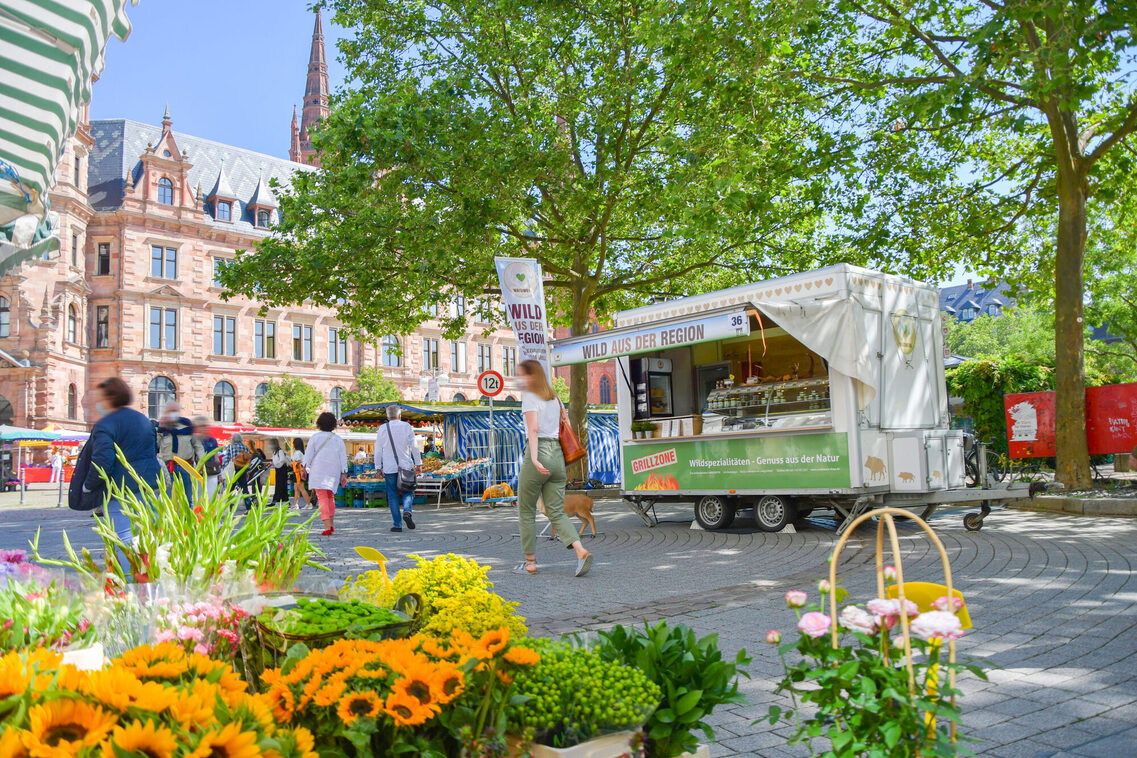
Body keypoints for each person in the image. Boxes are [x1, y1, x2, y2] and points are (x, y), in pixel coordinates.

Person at [515, 359, 593, 577]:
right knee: (556, 511)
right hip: (558, 456)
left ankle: (530, 562)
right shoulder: (555, 398)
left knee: (526, 509)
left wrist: (534, 458)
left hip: (539, 452)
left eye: (521, 375)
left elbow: (533, 430)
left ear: (531, 376)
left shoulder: (530, 396)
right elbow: (564, 423)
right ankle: (581, 551)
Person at [83, 377, 163, 549]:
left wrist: (88, 485)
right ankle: (152, 573)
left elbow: (102, 461)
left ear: (111, 398)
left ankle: (127, 575)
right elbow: (153, 450)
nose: (98, 403)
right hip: (150, 483)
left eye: (100, 398)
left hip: (121, 488)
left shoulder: (105, 424)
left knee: (123, 536)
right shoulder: (143, 419)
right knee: (150, 534)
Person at [374, 404, 422, 533]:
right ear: (400, 416)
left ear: (388, 417)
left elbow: (378, 450)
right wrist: (419, 464)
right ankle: (407, 511)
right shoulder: (407, 426)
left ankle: (397, 525)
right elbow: (415, 447)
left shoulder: (382, 429)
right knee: (408, 491)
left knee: (392, 495)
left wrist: (378, 468)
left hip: (389, 468)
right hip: (405, 465)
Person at [303, 413, 348, 535]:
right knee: (330, 496)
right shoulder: (338, 439)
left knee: (322, 496)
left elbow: (308, 455)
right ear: (333, 424)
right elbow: (343, 457)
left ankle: (327, 527)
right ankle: (331, 524)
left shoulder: (315, 437)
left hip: (318, 470)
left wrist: (304, 468)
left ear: (319, 424)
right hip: (333, 471)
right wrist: (344, 473)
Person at [157, 401, 204, 503]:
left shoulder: (187, 427)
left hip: (186, 466)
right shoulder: (161, 428)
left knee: (188, 498)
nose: (172, 414)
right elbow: (155, 445)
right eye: (169, 411)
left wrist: (201, 463)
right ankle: (168, 518)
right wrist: (160, 429)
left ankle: (188, 518)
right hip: (167, 467)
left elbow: (198, 446)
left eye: (174, 411)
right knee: (167, 498)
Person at [193, 418, 221, 498]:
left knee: (211, 494)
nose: (204, 428)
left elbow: (216, 456)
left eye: (205, 426)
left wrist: (219, 471)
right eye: (201, 426)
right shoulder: (195, 440)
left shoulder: (212, 440)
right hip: (199, 471)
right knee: (199, 495)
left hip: (211, 470)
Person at [290, 438, 313, 509]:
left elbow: (298, 462)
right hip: (299, 472)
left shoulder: (297, 452)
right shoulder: (302, 452)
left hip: (298, 473)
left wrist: (292, 463)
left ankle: (309, 504)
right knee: (296, 488)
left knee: (301, 488)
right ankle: (295, 504)